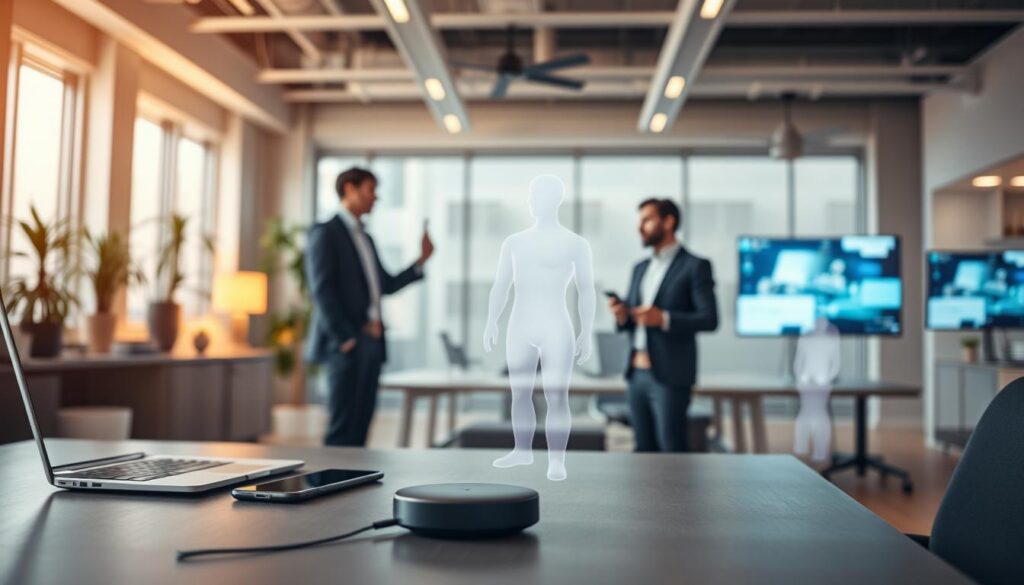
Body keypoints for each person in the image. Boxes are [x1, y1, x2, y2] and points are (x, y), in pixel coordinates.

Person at [305, 167, 434, 447]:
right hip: (347, 344)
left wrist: (420, 260)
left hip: (372, 342)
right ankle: (327, 489)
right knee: (342, 428)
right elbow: (321, 289)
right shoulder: (325, 233)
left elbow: (385, 285)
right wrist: (346, 339)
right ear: (349, 189)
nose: (375, 197)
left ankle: (353, 488)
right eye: (370, 190)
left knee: (362, 425)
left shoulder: (367, 238)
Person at [482, 175, 595, 481]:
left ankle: (557, 459)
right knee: (520, 394)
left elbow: (586, 290)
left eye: (536, 195)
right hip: (520, 324)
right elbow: (501, 285)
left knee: (557, 395)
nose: (531, 202)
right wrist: (492, 320)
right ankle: (522, 450)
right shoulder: (514, 242)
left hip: (556, 325)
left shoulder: (575, 243)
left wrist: (587, 331)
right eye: (530, 195)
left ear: (553, 199)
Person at [608, 198, 718, 452]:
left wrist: (665, 318)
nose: (640, 227)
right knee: (642, 451)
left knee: (672, 452)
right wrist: (623, 315)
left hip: (669, 376)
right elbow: (636, 320)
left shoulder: (695, 266)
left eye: (647, 220)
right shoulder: (640, 268)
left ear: (668, 222)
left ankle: (677, 496)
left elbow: (710, 318)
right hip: (636, 374)